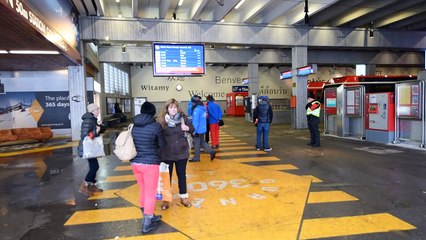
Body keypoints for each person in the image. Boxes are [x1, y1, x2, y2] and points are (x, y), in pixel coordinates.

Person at [131, 101, 167, 234]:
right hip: (150, 164)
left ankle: (147, 214)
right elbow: (162, 145)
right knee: (151, 193)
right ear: (153, 112)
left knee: (143, 189)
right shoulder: (155, 126)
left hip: (135, 163)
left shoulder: (133, 125)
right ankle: (147, 223)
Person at [157, 99, 194, 210]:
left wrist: (188, 128)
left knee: (181, 175)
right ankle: (166, 199)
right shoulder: (162, 120)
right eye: (170, 107)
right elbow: (157, 135)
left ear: (178, 108)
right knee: (166, 177)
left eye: (175, 107)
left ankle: (183, 197)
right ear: (167, 109)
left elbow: (192, 129)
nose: (173, 109)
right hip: (166, 153)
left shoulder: (183, 118)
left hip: (181, 153)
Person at [78, 103, 106, 197]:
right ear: (92, 111)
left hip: (92, 147)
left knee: (94, 166)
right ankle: (84, 185)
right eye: (96, 109)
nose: (98, 111)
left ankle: (92, 185)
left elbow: (96, 131)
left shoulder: (93, 119)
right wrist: (96, 131)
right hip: (88, 148)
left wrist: (102, 127)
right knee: (94, 167)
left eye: (98, 109)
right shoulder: (88, 120)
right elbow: (85, 135)